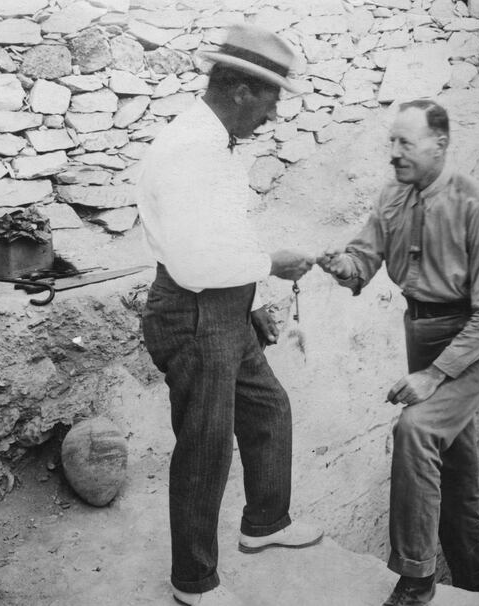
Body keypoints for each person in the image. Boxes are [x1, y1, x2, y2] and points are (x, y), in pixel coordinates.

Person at [137, 24, 323, 606]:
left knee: (268, 409)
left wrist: (254, 299)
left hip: (223, 308)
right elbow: (195, 263)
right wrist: (272, 262)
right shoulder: (192, 150)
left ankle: (265, 523)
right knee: (205, 447)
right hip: (194, 312)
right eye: (269, 100)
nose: (271, 115)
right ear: (242, 90)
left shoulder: (211, 143)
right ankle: (192, 582)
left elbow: (223, 238)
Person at [318, 99, 479, 606]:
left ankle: (417, 577)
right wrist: (346, 267)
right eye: (392, 141)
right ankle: (477, 583)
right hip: (422, 331)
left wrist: (433, 375)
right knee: (456, 466)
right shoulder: (392, 197)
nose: (394, 153)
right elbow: (364, 257)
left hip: (477, 341)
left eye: (406, 142)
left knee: (417, 430)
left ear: (440, 144)